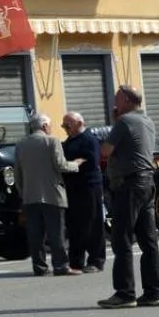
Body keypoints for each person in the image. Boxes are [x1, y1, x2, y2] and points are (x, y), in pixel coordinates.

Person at [99, 85, 159, 309]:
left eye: (117, 98)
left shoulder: (124, 122)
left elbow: (105, 151)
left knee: (122, 239)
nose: (114, 102)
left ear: (126, 99)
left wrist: (114, 123)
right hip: (147, 182)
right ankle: (153, 292)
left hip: (128, 185)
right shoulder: (147, 120)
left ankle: (125, 293)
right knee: (148, 240)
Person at [14, 112, 84, 277]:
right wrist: (76, 164)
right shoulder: (52, 141)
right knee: (56, 233)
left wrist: (22, 193)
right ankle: (60, 266)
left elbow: (17, 173)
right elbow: (60, 165)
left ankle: (39, 267)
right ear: (45, 126)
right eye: (50, 125)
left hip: (30, 196)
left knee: (35, 235)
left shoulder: (21, 144)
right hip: (52, 194)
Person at [60, 111, 106, 273]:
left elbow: (91, 161)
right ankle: (76, 261)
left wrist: (73, 164)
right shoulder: (69, 141)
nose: (65, 128)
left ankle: (96, 260)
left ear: (79, 124)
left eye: (67, 125)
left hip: (89, 187)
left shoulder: (88, 139)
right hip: (73, 188)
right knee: (75, 225)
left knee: (92, 224)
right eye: (63, 125)